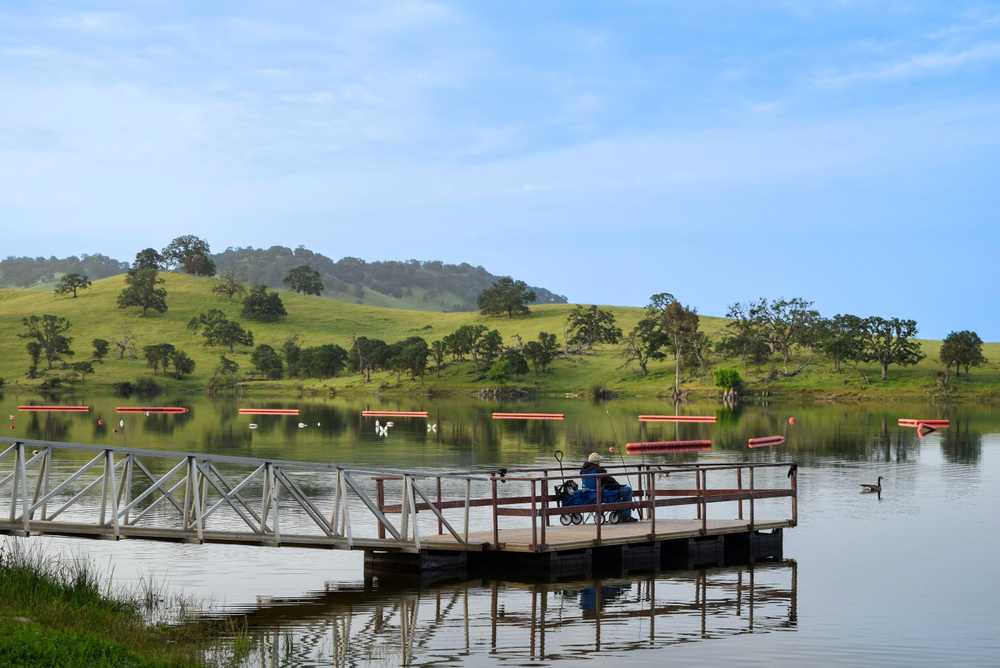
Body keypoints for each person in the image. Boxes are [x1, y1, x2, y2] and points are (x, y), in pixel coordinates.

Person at [580, 453, 636, 522]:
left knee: (622, 492)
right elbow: (610, 482)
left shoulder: (583, 471)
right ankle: (626, 516)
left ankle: (622, 514)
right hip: (604, 494)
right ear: (597, 462)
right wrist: (619, 486)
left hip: (590, 495)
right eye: (599, 461)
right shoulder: (599, 470)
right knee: (628, 490)